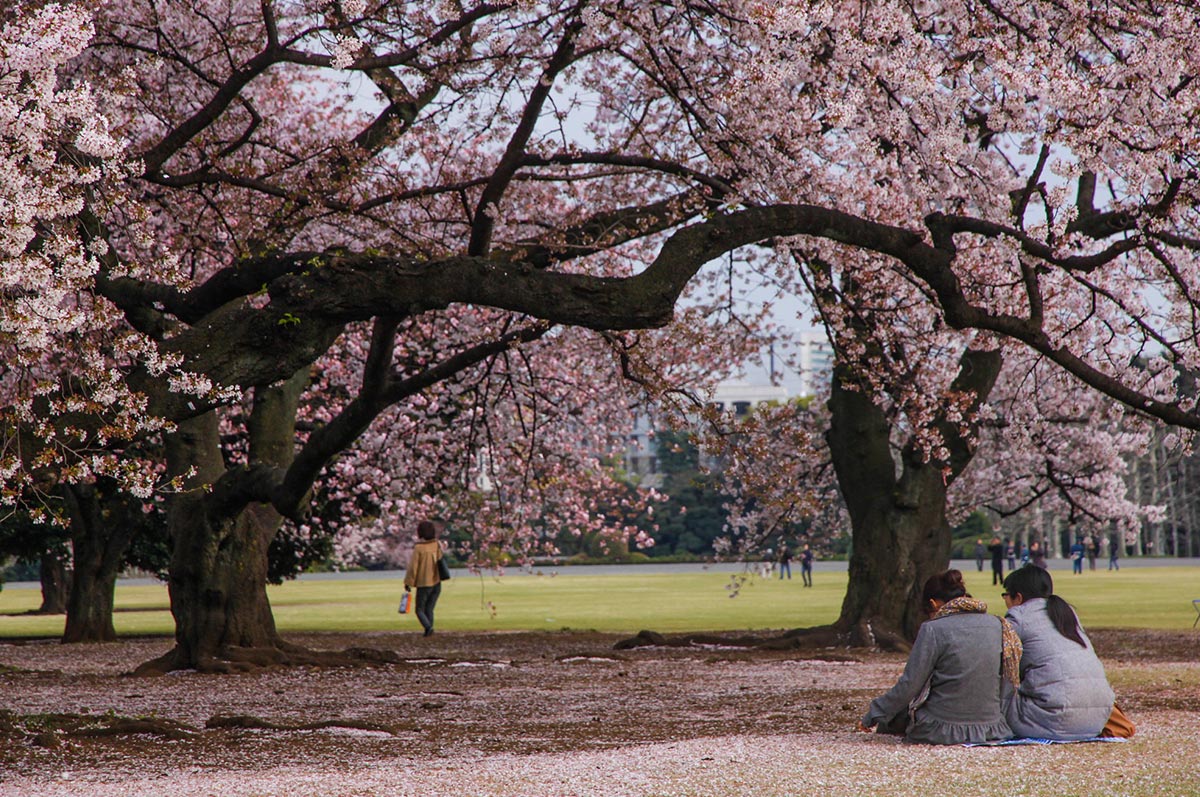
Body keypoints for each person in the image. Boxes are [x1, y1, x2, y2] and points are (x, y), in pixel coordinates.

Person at [858, 569, 1019, 745]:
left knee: (894, 718)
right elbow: (1008, 680)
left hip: (942, 729)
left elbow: (910, 684)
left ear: (933, 604)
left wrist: (874, 713)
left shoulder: (933, 629)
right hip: (991, 727)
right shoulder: (998, 624)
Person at [1001, 565, 1115, 739]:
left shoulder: (1019, 616)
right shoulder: (1066, 613)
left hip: (1049, 720)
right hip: (1097, 720)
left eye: (1005, 595)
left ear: (1018, 597)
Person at [404, 519, 446, 637]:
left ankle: (428, 628)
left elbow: (413, 567)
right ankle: (429, 630)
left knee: (419, 609)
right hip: (436, 581)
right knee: (429, 609)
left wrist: (408, 582)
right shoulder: (436, 545)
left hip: (424, 583)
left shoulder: (419, 548)